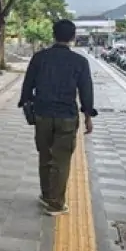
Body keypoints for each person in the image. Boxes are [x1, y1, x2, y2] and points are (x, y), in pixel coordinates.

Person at [18, 19, 97, 216]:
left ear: (53, 35)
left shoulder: (39, 58)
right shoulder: (80, 61)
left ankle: (47, 195)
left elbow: (27, 85)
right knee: (61, 160)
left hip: (42, 114)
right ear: (72, 37)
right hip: (67, 116)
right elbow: (86, 90)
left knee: (45, 156)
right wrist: (88, 115)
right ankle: (56, 203)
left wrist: (26, 103)